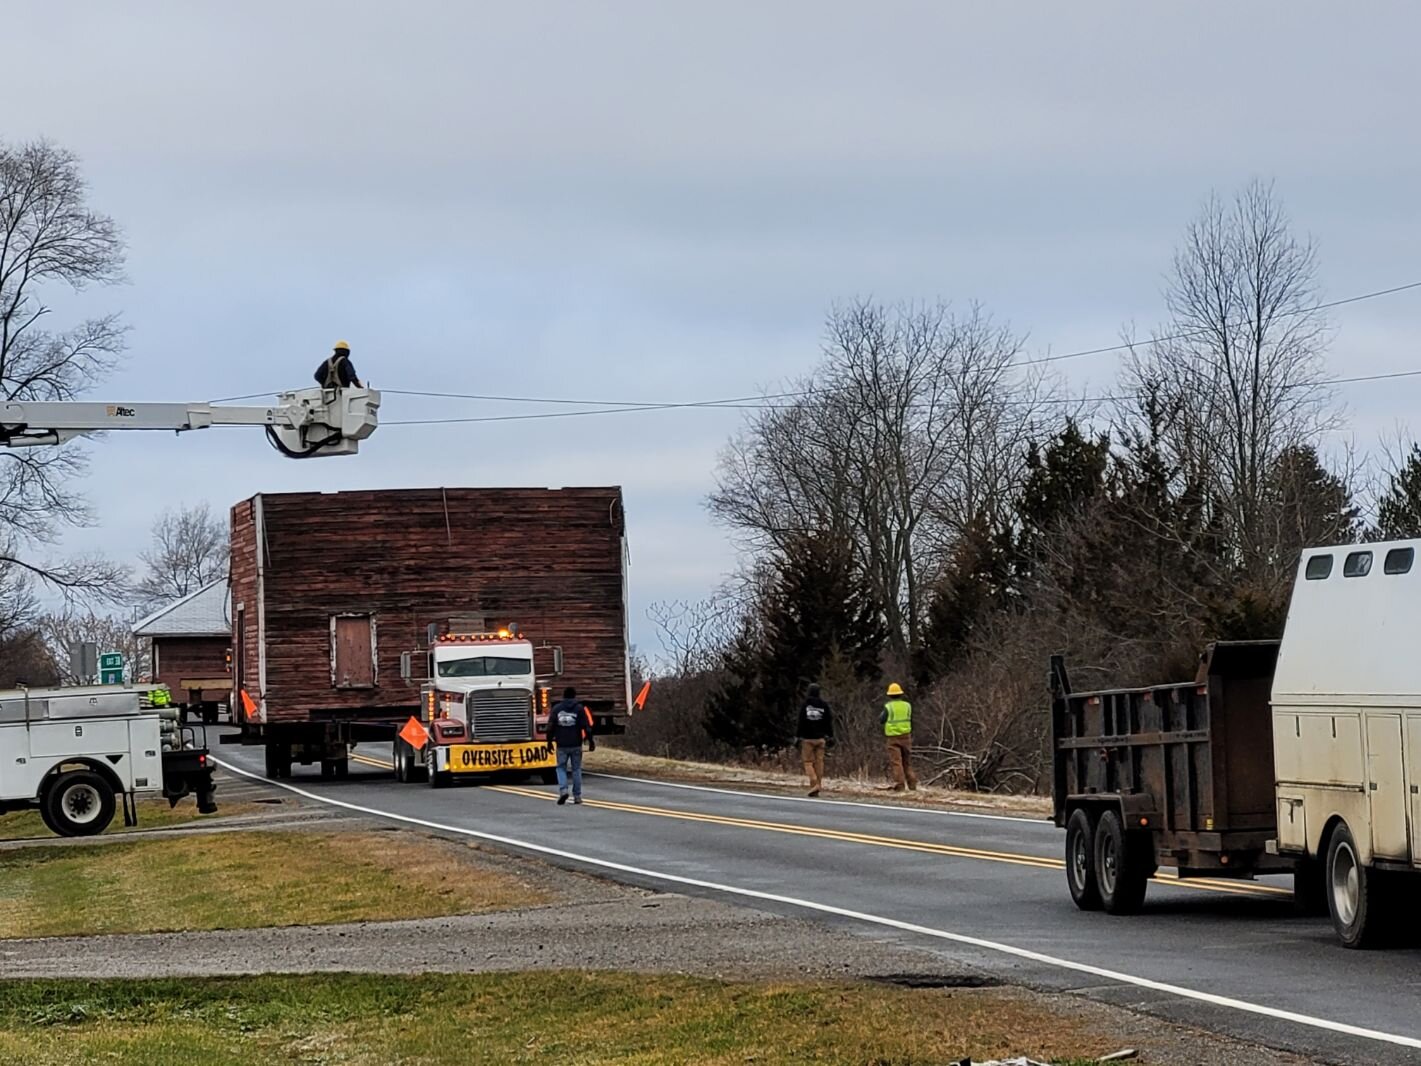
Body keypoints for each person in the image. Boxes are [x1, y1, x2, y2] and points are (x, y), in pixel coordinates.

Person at [545, 686, 595, 805]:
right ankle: (577, 796)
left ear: (564, 696)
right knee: (576, 769)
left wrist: (549, 741)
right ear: (574, 696)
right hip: (576, 743)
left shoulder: (557, 709)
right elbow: (586, 726)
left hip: (561, 744)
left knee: (561, 768)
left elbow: (550, 726)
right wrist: (590, 741)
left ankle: (563, 790)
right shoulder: (579, 709)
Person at [796, 683, 834, 797]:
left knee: (808, 762)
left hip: (808, 738)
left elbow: (801, 721)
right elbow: (829, 721)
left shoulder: (805, 705)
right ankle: (819, 784)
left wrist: (798, 735)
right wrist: (830, 735)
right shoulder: (824, 705)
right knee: (819, 762)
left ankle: (813, 783)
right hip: (820, 739)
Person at [880, 682, 917, 792]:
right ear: (901, 694)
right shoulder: (907, 706)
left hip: (893, 738)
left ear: (890, 695)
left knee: (896, 762)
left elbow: (881, 719)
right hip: (906, 736)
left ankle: (900, 785)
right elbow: (910, 719)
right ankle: (912, 785)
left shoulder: (888, 707)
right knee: (907, 762)